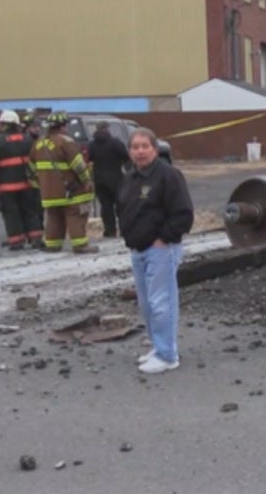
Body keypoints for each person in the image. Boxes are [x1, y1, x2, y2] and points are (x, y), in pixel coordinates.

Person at [118, 127, 194, 374]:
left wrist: (165, 238)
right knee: (146, 303)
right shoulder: (130, 178)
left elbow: (183, 213)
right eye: (135, 147)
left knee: (162, 301)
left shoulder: (168, 176)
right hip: (138, 249)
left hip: (160, 249)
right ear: (129, 151)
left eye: (145, 146)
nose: (140, 151)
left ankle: (167, 354)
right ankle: (157, 345)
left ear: (155, 148)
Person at [29, 111, 98, 254]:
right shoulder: (66, 143)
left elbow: (31, 168)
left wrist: (39, 185)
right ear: (63, 126)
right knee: (75, 215)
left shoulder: (38, 144)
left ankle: (53, 245)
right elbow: (79, 165)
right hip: (70, 191)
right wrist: (87, 180)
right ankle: (80, 245)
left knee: (54, 217)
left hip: (48, 193)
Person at [0, 110, 43, 250]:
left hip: (6, 188)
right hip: (26, 185)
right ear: (16, 124)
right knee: (30, 211)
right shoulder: (27, 140)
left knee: (11, 213)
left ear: (3, 125)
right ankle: (35, 238)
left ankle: (16, 241)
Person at [86, 121, 130, 238]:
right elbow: (126, 157)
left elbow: (87, 159)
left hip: (99, 179)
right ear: (107, 129)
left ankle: (110, 231)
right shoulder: (115, 143)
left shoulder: (92, 144)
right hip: (116, 178)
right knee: (121, 205)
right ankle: (124, 229)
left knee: (106, 207)